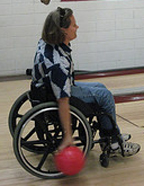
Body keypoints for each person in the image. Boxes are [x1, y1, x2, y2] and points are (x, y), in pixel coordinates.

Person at [32, 7, 140, 156]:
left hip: (45, 89)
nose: (77, 27)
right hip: (57, 95)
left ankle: (110, 135)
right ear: (63, 30)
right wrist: (67, 135)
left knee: (100, 87)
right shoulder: (58, 63)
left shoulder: (48, 43)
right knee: (105, 96)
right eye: (74, 25)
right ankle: (113, 144)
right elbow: (63, 100)